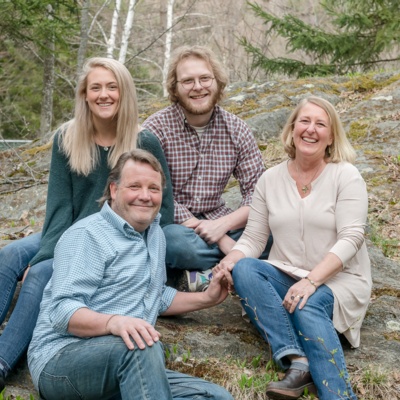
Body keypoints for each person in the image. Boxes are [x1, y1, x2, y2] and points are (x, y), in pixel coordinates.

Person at [0, 57, 173, 392]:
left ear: (124, 93)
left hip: (108, 235)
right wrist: (48, 252)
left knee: (40, 275)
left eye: (112, 87)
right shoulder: (67, 138)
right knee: (11, 256)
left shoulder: (145, 140)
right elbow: (59, 205)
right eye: (96, 87)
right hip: (67, 230)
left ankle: (3, 361)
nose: (104, 94)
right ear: (84, 94)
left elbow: (162, 203)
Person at [28, 149, 233, 400]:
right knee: (140, 346)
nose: (145, 196)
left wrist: (207, 299)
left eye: (154, 189)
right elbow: (62, 311)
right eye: (135, 186)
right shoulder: (87, 235)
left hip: (128, 361)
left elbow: (154, 295)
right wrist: (114, 322)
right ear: (114, 190)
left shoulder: (154, 234)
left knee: (215, 397)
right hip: (61, 362)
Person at [215, 96, 371, 400]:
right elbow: (253, 241)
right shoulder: (269, 180)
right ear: (292, 129)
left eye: (320, 124)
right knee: (246, 268)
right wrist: (229, 261)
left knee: (308, 303)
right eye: (304, 121)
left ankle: (339, 396)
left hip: (339, 280)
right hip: (288, 274)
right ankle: (298, 360)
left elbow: (352, 237)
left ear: (331, 137)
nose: (310, 130)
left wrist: (311, 282)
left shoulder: (346, 176)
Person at [143, 45, 270, 291]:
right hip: (176, 226)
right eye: (188, 81)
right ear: (175, 88)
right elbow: (156, 196)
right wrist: (221, 239)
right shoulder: (155, 129)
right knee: (171, 243)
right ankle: (236, 263)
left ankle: (207, 274)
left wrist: (224, 225)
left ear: (217, 82)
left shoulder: (236, 129)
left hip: (220, 218)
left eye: (204, 78)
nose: (198, 87)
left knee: (277, 233)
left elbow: (259, 194)